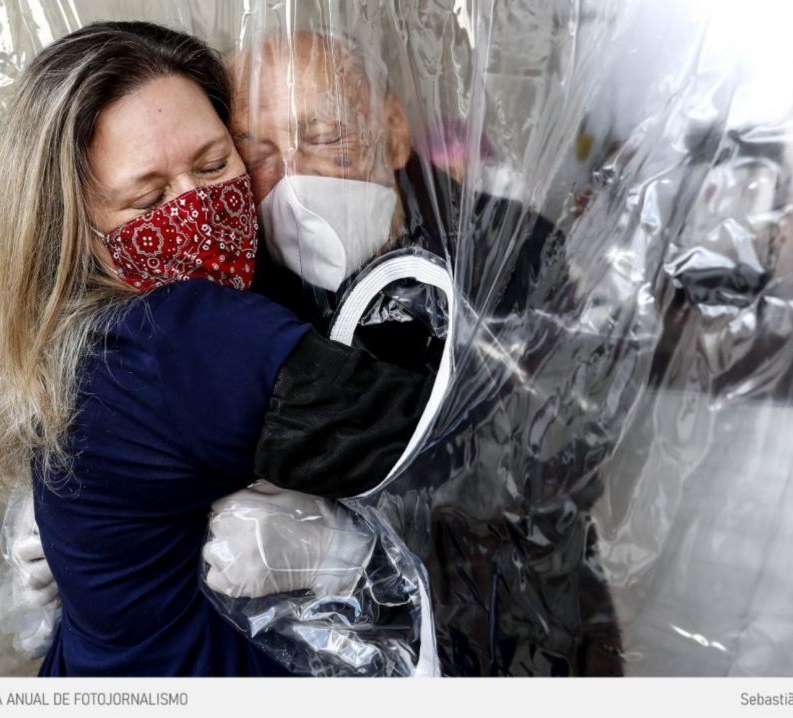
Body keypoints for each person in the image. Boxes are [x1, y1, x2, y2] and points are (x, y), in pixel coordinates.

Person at [0, 20, 435, 677]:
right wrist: (348, 551)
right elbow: (447, 442)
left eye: (214, 165)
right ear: (72, 227)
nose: (198, 209)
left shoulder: (86, 330)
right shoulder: (179, 329)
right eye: (149, 198)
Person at [220, 31, 624, 676]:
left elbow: (556, 457)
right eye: (257, 153)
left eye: (322, 137)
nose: (293, 179)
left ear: (393, 129)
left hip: (510, 634)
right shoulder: (236, 285)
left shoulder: (509, 250)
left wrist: (352, 553)